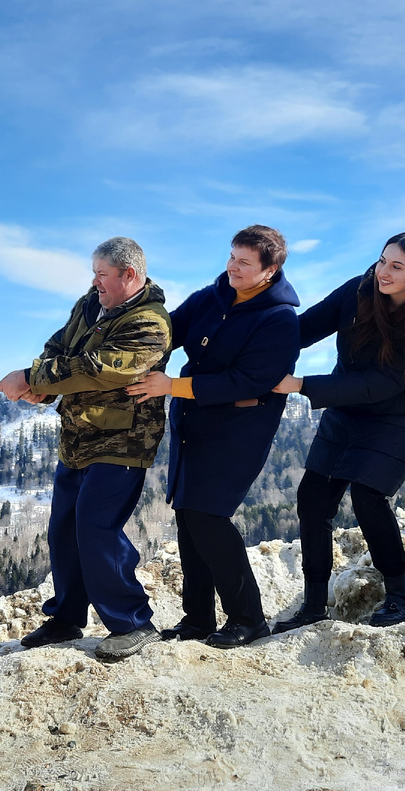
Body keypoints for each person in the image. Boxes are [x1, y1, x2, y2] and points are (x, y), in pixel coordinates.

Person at [0, 237, 171, 661]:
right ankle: (67, 617)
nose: (96, 283)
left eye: (102, 275)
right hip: (77, 436)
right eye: (94, 274)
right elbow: (59, 347)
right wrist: (42, 383)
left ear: (129, 275)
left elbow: (100, 370)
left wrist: (32, 378)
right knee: (65, 528)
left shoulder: (151, 324)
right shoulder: (90, 305)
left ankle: (133, 623)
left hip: (123, 441)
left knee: (97, 526)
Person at [127, 225, 300, 649]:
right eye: (231, 256)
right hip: (195, 421)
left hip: (239, 429)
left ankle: (248, 618)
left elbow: (247, 381)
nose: (232, 267)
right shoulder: (216, 294)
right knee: (188, 518)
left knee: (208, 517)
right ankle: (198, 619)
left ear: (270, 270)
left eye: (244, 262)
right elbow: (173, 330)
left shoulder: (279, 319)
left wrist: (172, 386)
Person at [271, 233, 405, 631]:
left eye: (397, 266)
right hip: (347, 406)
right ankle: (314, 605)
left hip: (401, 414)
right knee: (313, 499)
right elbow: (304, 328)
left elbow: (383, 381)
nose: (383, 272)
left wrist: (301, 385)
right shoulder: (359, 290)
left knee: (369, 495)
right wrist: (253, 351)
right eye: (382, 261)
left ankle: (400, 599)